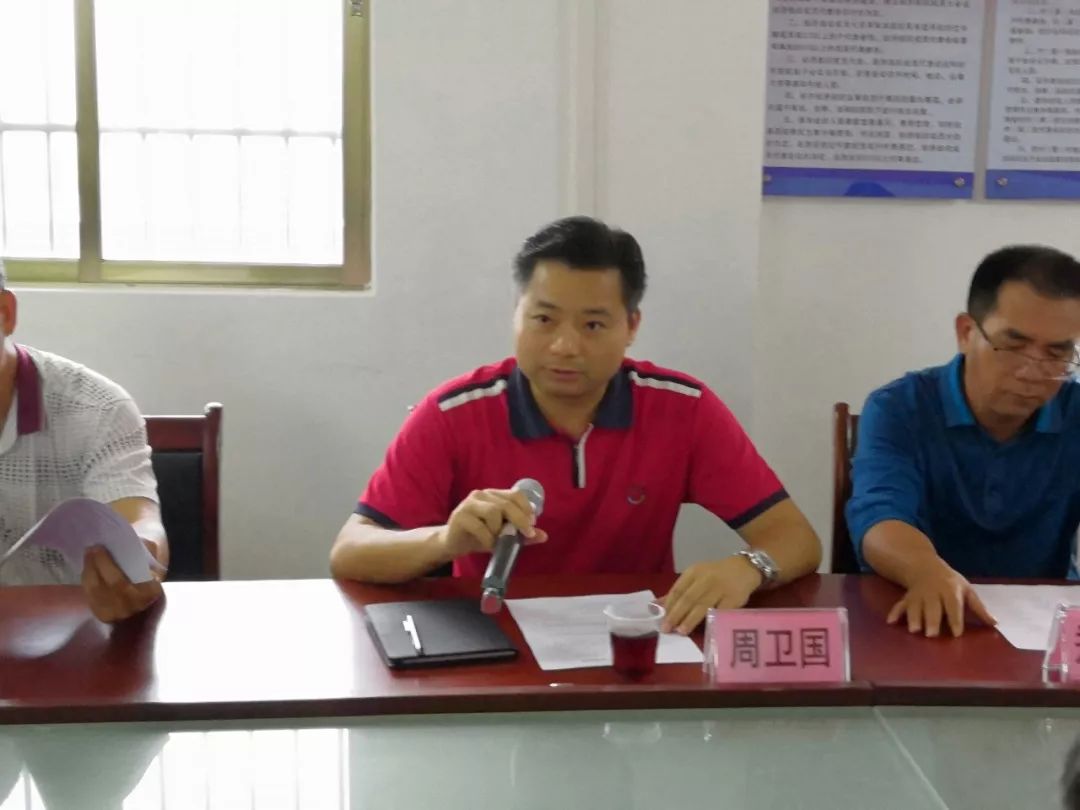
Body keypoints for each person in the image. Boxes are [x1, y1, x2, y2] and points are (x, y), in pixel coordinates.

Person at [331, 216, 820, 633]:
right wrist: (445, 541)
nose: (565, 346)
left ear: (631, 326)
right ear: (517, 315)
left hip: (634, 643)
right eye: (544, 320)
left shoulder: (682, 409)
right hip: (494, 642)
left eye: (592, 325)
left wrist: (747, 567)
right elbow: (350, 551)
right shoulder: (454, 414)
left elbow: (796, 538)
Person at [847, 245, 1080, 638]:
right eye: (1013, 346)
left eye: (1057, 353)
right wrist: (926, 570)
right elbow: (880, 516)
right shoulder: (900, 408)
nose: (1032, 371)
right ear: (966, 332)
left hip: (1043, 632)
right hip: (918, 615)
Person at [0, 259, 167, 622]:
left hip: (77, 631)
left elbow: (137, 520)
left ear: (5, 313)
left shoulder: (97, 408)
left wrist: (134, 565)